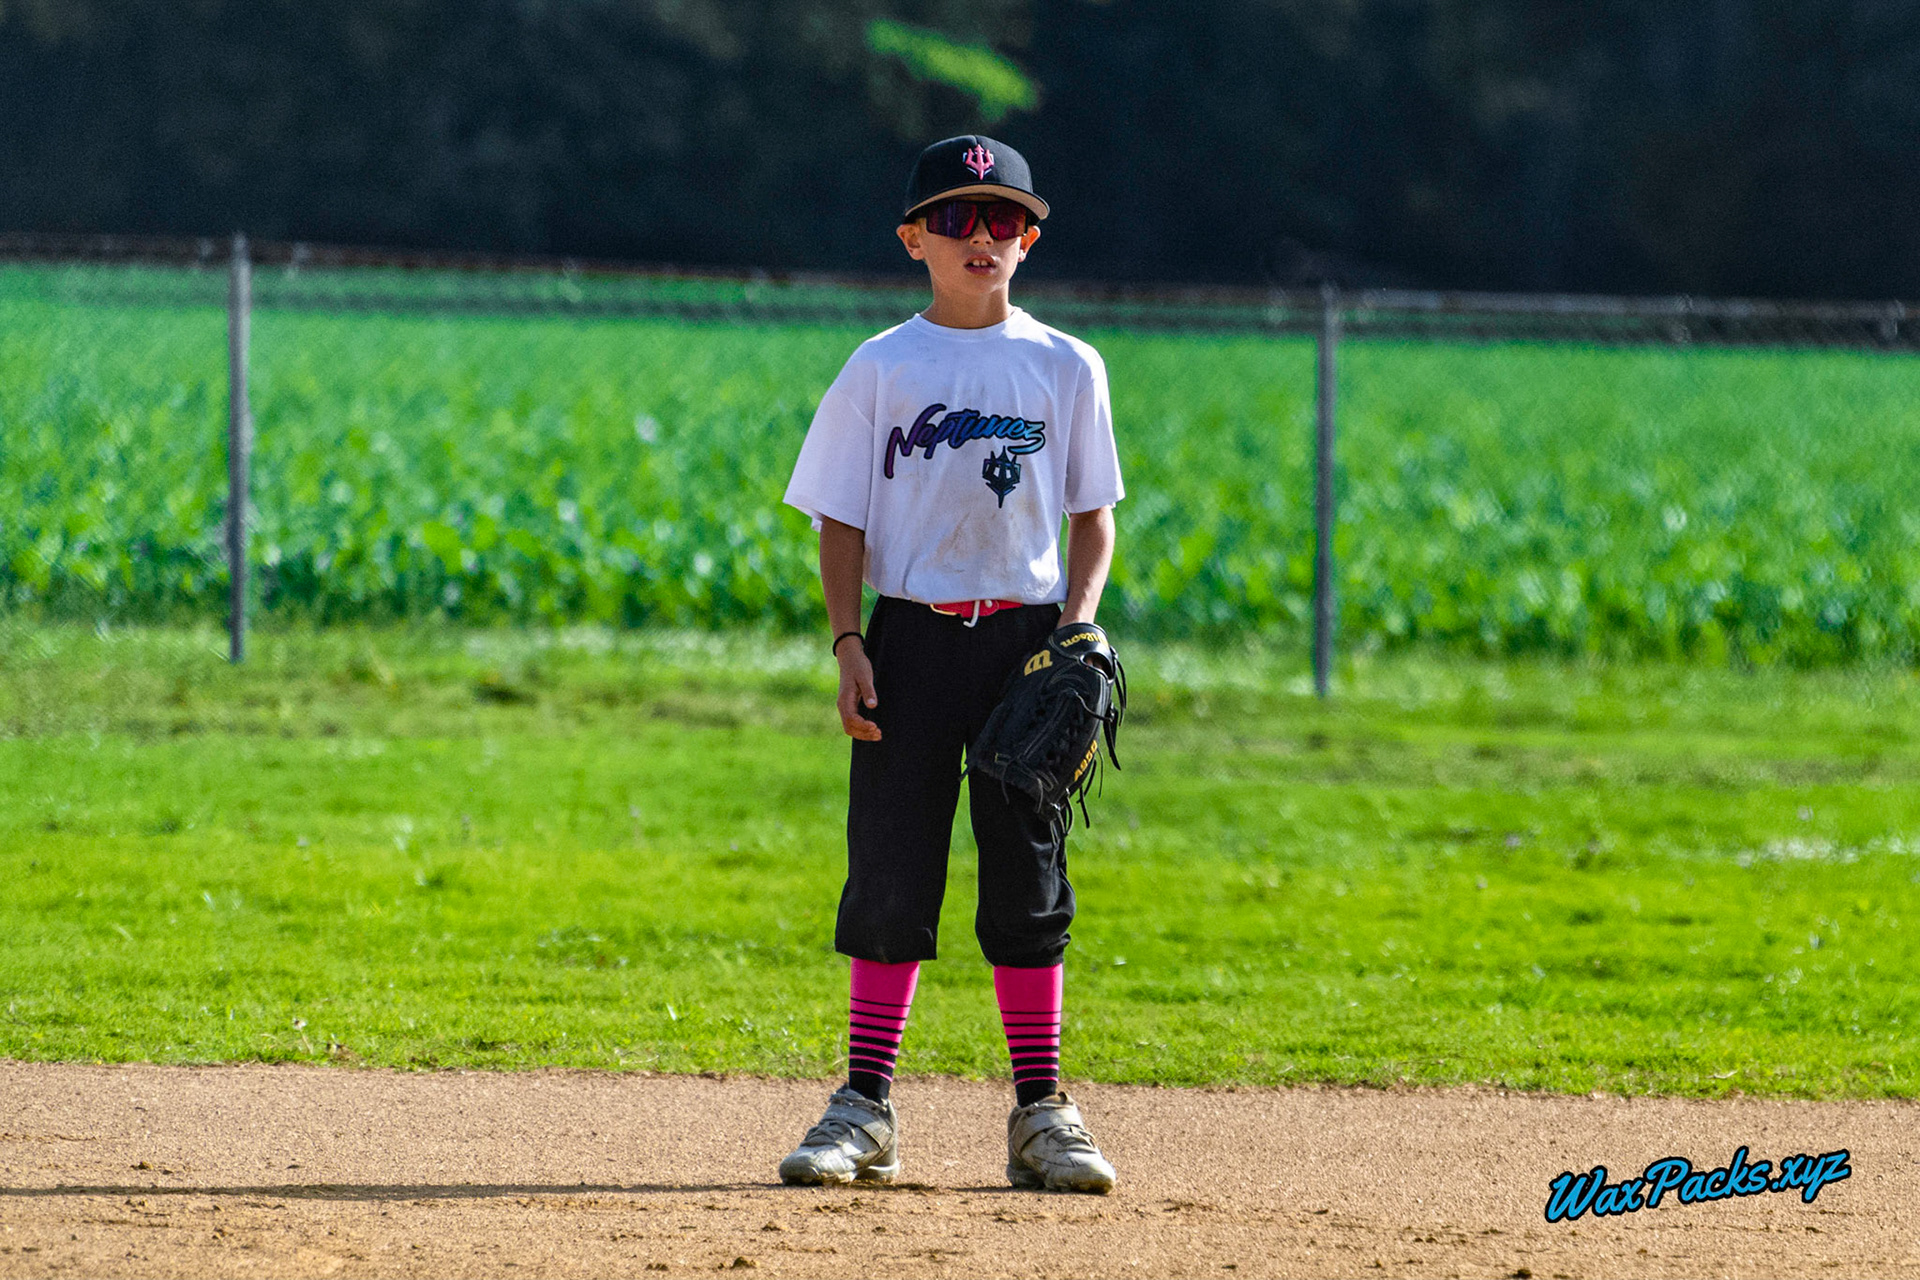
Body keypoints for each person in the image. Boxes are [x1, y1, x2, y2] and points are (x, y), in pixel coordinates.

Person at [777, 134, 1124, 1194]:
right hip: (910, 638)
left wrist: (1076, 629)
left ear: (1030, 237)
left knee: (1029, 875)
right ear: (914, 237)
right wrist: (847, 642)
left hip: (1023, 646)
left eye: (1007, 218)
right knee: (890, 863)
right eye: (961, 216)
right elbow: (839, 518)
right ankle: (865, 1105)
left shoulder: (1066, 365)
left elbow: (1092, 523)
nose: (986, 237)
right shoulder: (884, 364)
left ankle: (1042, 1111)